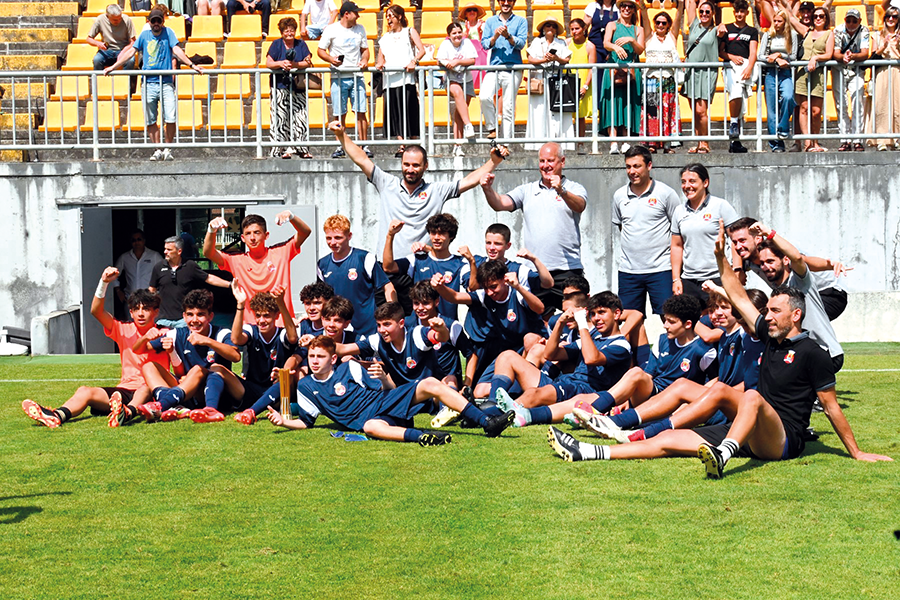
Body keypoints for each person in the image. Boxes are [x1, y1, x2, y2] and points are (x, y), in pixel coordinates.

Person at [547, 220, 893, 476]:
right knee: (674, 440)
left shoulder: (813, 353)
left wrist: (857, 452)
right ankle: (592, 451)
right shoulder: (768, 334)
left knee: (752, 397)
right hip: (747, 428)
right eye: (767, 311)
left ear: (796, 315)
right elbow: (738, 295)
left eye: (774, 311)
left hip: (781, 438)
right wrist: (720, 257)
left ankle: (724, 455)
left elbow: (831, 408)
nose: (766, 316)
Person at [576, 285, 767, 444]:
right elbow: (649, 373)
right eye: (713, 309)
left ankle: (634, 428)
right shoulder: (721, 335)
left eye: (725, 308)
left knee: (682, 390)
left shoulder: (740, 337)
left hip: (736, 401)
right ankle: (606, 416)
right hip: (661, 393)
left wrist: (718, 287)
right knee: (641, 375)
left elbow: (728, 379)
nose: (717, 313)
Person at [266, 335, 516, 445]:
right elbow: (307, 422)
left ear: (333, 359)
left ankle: (486, 421)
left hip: (384, 400)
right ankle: (423, 437)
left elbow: (385, 390)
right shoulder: (307, 386)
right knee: (371, 428)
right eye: (311, 356)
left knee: (429, 383)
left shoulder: (350, 367)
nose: (315, 360)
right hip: (370, 419)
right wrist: (284, 421)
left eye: (321, 356)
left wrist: (385, 379)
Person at [328, 120, 506, 259]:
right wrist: (342, 136)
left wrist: (494, 162)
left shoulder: (437, 190)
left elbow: (468, 181)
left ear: (425, 166)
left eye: (415, 165)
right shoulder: (386, 183)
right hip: (388, 267)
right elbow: (362, 159)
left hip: (421, 265)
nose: (410, 169)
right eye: (406, 164)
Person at [21, 269, 163, 429]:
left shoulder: (165, 333)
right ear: (131, 312)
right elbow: (96, 311)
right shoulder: (123, 329)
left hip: (152, 391)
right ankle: (56, 415)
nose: (141, 314)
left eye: (146, 309)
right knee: (84, 391)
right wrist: (104, 282)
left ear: (155, 312)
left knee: (144, 388)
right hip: (123, 390)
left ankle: (126, 413)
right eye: (136, 309)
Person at [480, 142, 587, 313]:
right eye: (542, 161)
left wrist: (562, 190)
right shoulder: (526, 190)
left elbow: (580, 205)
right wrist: (487, 189)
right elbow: (500, 204)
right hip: (535, 273)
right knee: (538, 325)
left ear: (562, 161)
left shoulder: (574, 188)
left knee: (577, 319)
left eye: (550, 161)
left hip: (567, 270)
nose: (546, 166)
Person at [491, 291, 632, 420]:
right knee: (507, 356)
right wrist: (559, 323)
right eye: (593, 314)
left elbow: (591, 359)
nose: (596, 318)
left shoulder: (621, 345)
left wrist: (582, 323)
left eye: (602, 312)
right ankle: (492, 404)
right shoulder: (591, 340)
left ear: (617, 314)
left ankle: (491, 416)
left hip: (584, 391)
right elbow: (551, 355)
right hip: (566, 383)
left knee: (533, 394)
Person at [103, 8, 204, 161]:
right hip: (148, 83)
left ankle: (168, 149)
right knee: (151, 119)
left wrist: (192, 65)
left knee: (171, 117)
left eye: (159, 21)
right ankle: (157, 149)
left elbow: (177, 49)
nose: (156, 24)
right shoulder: (144, 35)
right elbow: (131, 52)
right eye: (153, 21)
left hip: (166, 83)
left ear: (162, 22)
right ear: (149, 22)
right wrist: (113, 66)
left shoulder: (168, 32)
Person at [431, 259, 545, 392]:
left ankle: (527, 392)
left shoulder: (517, 293)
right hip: (508, 351)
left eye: (493, 287)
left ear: (504, 280)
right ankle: (510, 393)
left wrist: (518, 287)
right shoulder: (485, 297)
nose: (490, 292)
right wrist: (440, 287)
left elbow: (540, 308)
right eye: (486, 288)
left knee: (529, 339)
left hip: (534, 347)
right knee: (479, 392)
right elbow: (455, 297)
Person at [741, 223, 844, 367]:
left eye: (770, 261)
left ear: (785, 260)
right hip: (801, 355)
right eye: (762, 263)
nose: (765, 267)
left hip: (825, 353)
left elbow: (797, 258)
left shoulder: (800, 280)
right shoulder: (777, 293)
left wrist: (769, 233)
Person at [134, 289, 241, 422]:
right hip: (185, 391)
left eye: (200, 314)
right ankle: (172, 403)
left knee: (197, 370)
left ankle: (163, 404)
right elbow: (138, 350)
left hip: (212, 394)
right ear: (184, 316)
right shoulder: (177, 333)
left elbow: (236, 356)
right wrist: (144, 338)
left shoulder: (221, 333)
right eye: (190, 315)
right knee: (149, 366)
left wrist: (207, 341)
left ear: (210, 316)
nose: (194, 320)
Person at [726, 216, 849, 321]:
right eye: (735, 242)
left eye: (742, 240)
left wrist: (830, 265)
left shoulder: (777, 248)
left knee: (792, 319)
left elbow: (803, 261)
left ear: (758, 238)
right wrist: (738, 269)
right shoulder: (747, 258)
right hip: (799, 297)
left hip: (829, 293)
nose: (738, 246)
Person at [204, 211, 312, 325]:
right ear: (243, 238)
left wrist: (291, 217)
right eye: (248, 233)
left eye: (257, 232)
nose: (252, 238)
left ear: (266, 235)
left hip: (282, 324)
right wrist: (211, 230)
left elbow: (305, 232)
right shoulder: (236, 260)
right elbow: (208, 253)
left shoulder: (281, 252)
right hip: (251, 327)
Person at [612, 145, 680, 317]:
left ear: (649, 166)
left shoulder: (666, 193)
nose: (632, 171)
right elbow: (622, 227)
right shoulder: (619, 196)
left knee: (670, 317)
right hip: (629, 272)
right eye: (628, 166)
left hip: (661, 270)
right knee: (629, 321)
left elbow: (678, 229)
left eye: (636, 166)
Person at [226, 284, 300, 425]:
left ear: (276, 316)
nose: (261, 320)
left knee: (286, 377)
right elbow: (235, 339)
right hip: (252, 387)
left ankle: (251, 411)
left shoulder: (282, 333)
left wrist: (281, 303)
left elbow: (292, 338)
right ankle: (212, 407)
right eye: (258, 315)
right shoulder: (252, 330)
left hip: (278, 390)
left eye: (266, 316)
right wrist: (240, 305)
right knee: (219, 370)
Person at [671, 163, 740, 303]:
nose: (687, 186)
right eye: (683, 182)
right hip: (689, 281)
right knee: (691, 323)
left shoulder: (720, 206)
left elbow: (736, 239)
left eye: (692, 181)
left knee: (720, 321)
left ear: (705, 182)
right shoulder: (679, 211)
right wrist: (676, 279)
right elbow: (676, 246)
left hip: (718, 277)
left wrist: (738, 270)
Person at [316, 214, 395, 336]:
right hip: (338, 332)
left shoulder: (364, 259)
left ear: (349, 236)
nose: (332, 242)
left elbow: (388, 287)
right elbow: (321, 300)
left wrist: (391, 315)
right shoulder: (322, 264)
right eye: (328, 238)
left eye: (338, 238)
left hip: (367, 330)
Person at [383, 213, 464, 321]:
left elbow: (472, 287)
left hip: (447, 327)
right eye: (433, 233)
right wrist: (390, 236)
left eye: (441, 233)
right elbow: (388, 267)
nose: (436, 237)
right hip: (418, 326)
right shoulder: (417, 260)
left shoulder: (460, 263)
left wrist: (471, 261)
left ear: (451, 236)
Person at [318, 2, 371, 159]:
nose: (358, 16)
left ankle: (364, 145)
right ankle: (340, 146)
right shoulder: (331, 29)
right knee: (339, 113)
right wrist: (331, 59)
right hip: (338, 77)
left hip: (357, 76)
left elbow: (365, 50)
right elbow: (320, 50)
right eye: (356, 12)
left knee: (361, 111)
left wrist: (365, 60)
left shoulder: (360, 29)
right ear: (347, 14)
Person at [148, 235, 230, 328]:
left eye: (169, 250)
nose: (165, 252)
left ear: (179, 251)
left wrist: (230, 285)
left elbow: (208, 278)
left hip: (184, 319)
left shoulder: (190, 265)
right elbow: (152, 290)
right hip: (163, 320)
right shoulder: (158, 267)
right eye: (165, 249)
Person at [376, 4, 425, 156]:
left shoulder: (409, 32)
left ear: (399, 17)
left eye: (391, 15)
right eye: (387, 16)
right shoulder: (384, 38)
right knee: (395, 112)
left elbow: (421, 50)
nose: (389, 19)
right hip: (390, 80)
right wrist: (379, 65)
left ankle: (414, 143)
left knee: (409, 110)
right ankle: (401, 144)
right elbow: (380, 58)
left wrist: (414, 62)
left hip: (406, 78)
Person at [598, 0, 645, 154]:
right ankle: (613, 142)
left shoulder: (638, 29)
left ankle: (625, 140)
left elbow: (640, 50)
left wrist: (631, 40)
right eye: (623, 6)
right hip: (613, 68)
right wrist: (616, 47)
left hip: (631, 71)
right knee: (612, 104)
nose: (626, 9)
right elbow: (606, 43)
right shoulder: (612, 25)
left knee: (628, 104)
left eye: (630, 6)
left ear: (633, 10)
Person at [478, 0, 528, 141]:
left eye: (509, 0)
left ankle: (506, 143)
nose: (506, 3)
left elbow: (521, 44)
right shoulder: (490, 21)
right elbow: (485, 44)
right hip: (494, 67)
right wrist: (495, 37)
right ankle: (492, 128)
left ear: (513, 2)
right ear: (499, 2)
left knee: (508, 107)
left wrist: (508, 36)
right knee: (484, 96)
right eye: (503, 0)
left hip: (513, 68)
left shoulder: (521, 21)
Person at [266, 17, 314, 160]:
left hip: (298, 86)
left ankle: (301, 149)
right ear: (281, 32)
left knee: (300, 117)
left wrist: (294, 65)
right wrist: (281, 64)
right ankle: (280, 149)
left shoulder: (301, 44)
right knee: (280, 117)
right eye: (286, 31)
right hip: (279, 86)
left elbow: (308, 61)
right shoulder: (276, 44)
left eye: (292, 30)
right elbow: (268, 62)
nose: (289, 33)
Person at [638, 1, 683, 154]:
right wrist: (643, 7)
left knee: (668, 111)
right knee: (652, 112)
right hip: (652, 80)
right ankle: (652, 143)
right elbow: (644, 17)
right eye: (657, 22)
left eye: (664, 23)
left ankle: (667, 144)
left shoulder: (672, 36)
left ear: (668, 25)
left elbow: (679, 17)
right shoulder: (649, 36)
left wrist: (682, 4)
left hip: (668, 79)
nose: (660, 25)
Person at [525, 15, 573, 152]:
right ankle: (538, 144)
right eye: (548, 25)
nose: (550, 28)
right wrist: (544, 61)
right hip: (541, 81)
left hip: (557, 82)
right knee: (539, 111)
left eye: (553, 25)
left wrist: (555, 58)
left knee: (558, 112)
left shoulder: (561, 43)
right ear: (543, 29)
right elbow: (530, 59)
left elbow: (567, 59)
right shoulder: (537, 42)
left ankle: (560, 144)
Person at [717, 0, 758, 154]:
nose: (739, 14)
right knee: (735, 93)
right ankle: (733, 124)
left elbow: (753, 52)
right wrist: (731, 56)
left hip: (745, 67)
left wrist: (749, 67)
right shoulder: (726, 28)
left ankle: (736, 142)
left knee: (741, 103)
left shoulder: (752, 31)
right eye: (737, 12)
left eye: (742, 11)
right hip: (730, 67)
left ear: (747, 12)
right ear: (733, 12)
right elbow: (720, 52)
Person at [792, 5, 834, 152]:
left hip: (818, 73)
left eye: (821, 16)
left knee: (816, 110)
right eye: (815, 16)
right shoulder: (807, 31)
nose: (817, 18)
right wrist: (780, 4)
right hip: (802, 73)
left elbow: (829, 54)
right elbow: (790, 18)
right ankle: (807, 142)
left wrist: (816, 57)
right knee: (803, 108)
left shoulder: (829, 34)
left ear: (826, 18)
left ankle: (815, 141)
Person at [758, 7, 799, 151]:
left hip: (785, 72)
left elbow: (793, 56)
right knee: (772, 110)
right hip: (770, 73)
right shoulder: (768, 35)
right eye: (774, 21)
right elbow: (760, 56)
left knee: (788, 97)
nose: (776, 23)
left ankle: (783, 126)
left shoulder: (792, 35)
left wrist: (780, 56)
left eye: (779, 21)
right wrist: (775, 59)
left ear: (785, 22)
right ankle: (775, 144)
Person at [680, 0, 719, 154]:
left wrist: (722, 27)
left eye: (707, 12)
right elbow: (689, 3)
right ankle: (699, 143)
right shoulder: (694, 23)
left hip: (706, 73)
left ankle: (705, 143)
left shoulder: (716, 30)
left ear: (713, 14)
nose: (703, 14)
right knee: (695, 111)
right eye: (701, 11)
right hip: (691, 72)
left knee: (701, 111)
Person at [436, 20, 479, 156]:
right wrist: (447, 63)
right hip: (452, 79)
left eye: (459, 32)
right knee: (457, 92)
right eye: (454, 33)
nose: (457, 35)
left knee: (459, 114)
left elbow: (472, 59)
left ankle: (457, 145)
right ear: (449, 35)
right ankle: (468, 125)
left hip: (467, 80)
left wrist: (458, 61)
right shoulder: (445, 44)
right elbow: (440, 60)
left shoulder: (467, 43)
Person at [832, 8, 870, 152]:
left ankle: (857, 139)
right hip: (839, 70)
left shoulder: (864, 30)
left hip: (856, 71)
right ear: (845, 20)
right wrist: (843, 57)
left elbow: (865, 52)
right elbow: (835, 52)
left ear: (859, 21)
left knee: (857, 102)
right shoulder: (838, 30)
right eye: (849, 20)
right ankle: (844, 139)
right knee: (841, 104)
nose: (851, 23)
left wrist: (852, 56)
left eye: (854, 20)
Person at [867, 6, 900, 150]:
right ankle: (880, 139)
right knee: (881, 105)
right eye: (888, 16)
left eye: (894, 16)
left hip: (897, 71)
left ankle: (897, 138)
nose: (891, 19)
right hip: (881, 72)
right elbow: (873, 57)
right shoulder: (877, 35)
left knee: (897, 105)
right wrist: (883, 46)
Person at [111, 229, 163, 320]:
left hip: (149, 299)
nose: (136, 242)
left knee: (150, 326)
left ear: (144, 240)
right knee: (131, 326)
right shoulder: (125, 257)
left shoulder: (154, 256)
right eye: (133, 240)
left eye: (139, 239)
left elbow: (164, 273)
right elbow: (113, 274)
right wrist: (118, 291)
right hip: (130, 299)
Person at [567, 18, 597, 150]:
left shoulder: (590, 46)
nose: (574, 31)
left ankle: (580, 144)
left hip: (583, 83)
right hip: (568, 82)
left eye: (577, 28)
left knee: (580, 116)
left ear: (584, 29)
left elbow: (592, 68)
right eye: (572, 29)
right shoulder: (566, 43)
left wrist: (585, 86)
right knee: (567, 114)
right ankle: (567, 143)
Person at [87, 4, 136, 72]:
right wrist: (98, 43)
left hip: (123, 49)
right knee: (97, 60)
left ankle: (127, 82)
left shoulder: (127, 20)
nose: (118, 21)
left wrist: (123, 52)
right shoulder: (100, 19)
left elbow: (133, 42)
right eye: (115, 20)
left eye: (120, 18)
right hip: (107, 50)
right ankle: (99, 81)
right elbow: (89, 39)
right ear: (107, 16)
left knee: (130, 61)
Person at [461, 3, 488, 89]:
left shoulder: (484, 25)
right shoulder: (461, 27)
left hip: (482, 53)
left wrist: (480, 31)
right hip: (467, 53)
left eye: (474, 10)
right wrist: (467, 32)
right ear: (465, 13)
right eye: (469, 10)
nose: (472, 12)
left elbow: (485, 41)